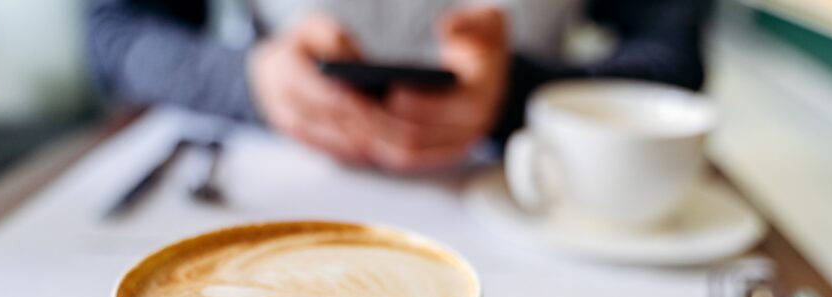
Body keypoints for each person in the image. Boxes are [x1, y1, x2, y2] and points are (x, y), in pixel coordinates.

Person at [88, 0, 708, 172]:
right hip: (270, 175)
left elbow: (676, 59)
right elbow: (114, 31)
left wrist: (515, 94)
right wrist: (251, 79)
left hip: (529, 187)